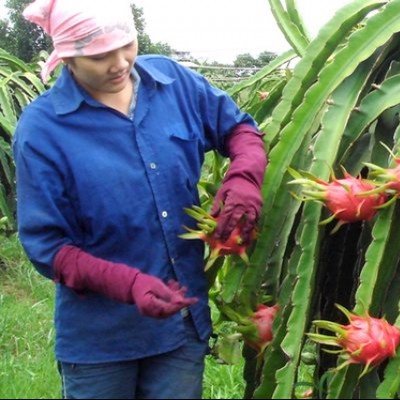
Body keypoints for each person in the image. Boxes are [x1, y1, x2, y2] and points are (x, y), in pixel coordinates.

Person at [12, 0, 267, 398]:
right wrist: (125, 283)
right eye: (99, 56)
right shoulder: (42, 130)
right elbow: (48, 247)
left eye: (126, 44)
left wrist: (244, 178)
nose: (119, 63)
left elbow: (241, 130)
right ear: (68, 58)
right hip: (101, 342)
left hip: (181, 327)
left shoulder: (174, 83)